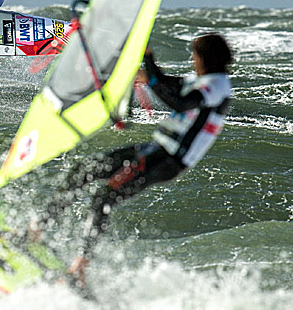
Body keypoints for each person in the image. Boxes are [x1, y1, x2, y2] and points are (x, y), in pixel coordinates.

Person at [29, 33, 233, 288]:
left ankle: (79, 270)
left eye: (195, 54)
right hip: (155, 150)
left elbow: (180, 103)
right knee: (85, 171)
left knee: (105, 197)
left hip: (166, 159)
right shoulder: (205, 81)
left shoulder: (216, 86)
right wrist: (148, 69)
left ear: (206, 58)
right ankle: (37, 230)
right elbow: (169, 84)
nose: (192, 59)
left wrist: (149, 62)